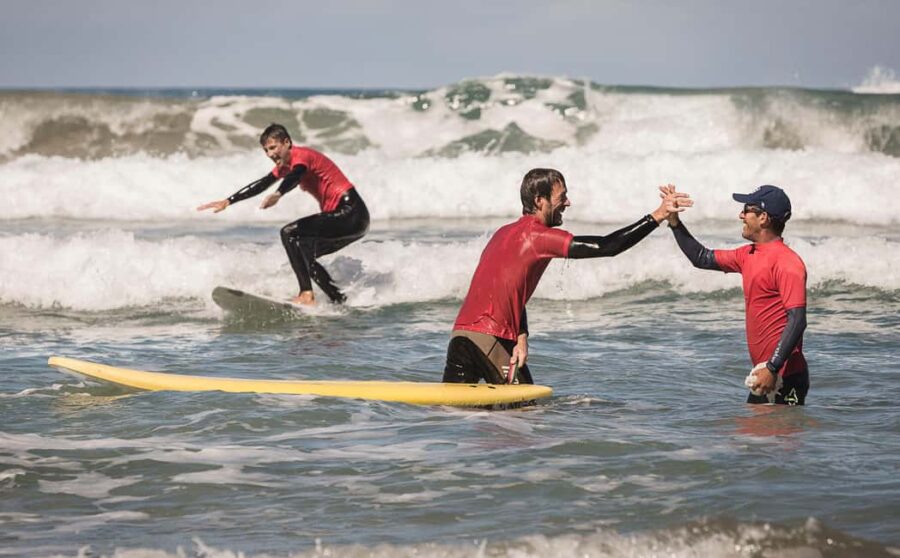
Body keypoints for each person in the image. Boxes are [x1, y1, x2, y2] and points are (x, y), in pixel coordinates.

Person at [442, 168, 691, 386]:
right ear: (540, 201)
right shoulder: (537, 237)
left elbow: (508, 290)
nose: (567, 203)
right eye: (561, 197)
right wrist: (657, 216)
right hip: (490, 339)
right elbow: (607, 246)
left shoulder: (502, 233)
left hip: (460, 338)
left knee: (456, 413)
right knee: (524, 411)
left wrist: (521, 335)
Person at [665, 184, 809, 405]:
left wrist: (773, 367)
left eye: (746, 210)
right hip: (765, 372)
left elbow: (797, 320)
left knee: (776, 428)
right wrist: (674, 223)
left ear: (763, 218)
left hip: (785, 376)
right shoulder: (747, 254)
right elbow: (701, 258)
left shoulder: (787, 263)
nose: (741, 215)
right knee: (752, 427)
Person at [197, 124, 369, 305]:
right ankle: (338, 299)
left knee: (288, 233)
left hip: (351, 212)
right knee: (304, 253)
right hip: (352, 219)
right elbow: (262, 184)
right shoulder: (284, 166)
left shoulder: (302, 156)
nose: (270, 154)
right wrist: (229, 200)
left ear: (287, 142)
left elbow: (296, 175)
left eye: (273, 147)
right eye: (266, 150)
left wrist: (279, 193)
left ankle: (306, 294)